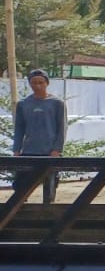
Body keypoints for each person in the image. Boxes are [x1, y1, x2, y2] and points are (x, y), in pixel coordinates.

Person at [13, 69, 67, 204]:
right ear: (30, 84)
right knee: (21, 185)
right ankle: (19, 212)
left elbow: (62, 127)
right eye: (34, 83)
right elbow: (19, 128)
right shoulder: (23, 104)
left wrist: (57, 149)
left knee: (49, 185)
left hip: (49, 151)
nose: (37, 86)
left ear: (46, 83)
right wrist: (16, 149)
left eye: (41, 82)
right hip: (29, 150)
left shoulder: (57, 103)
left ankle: (48, 212)